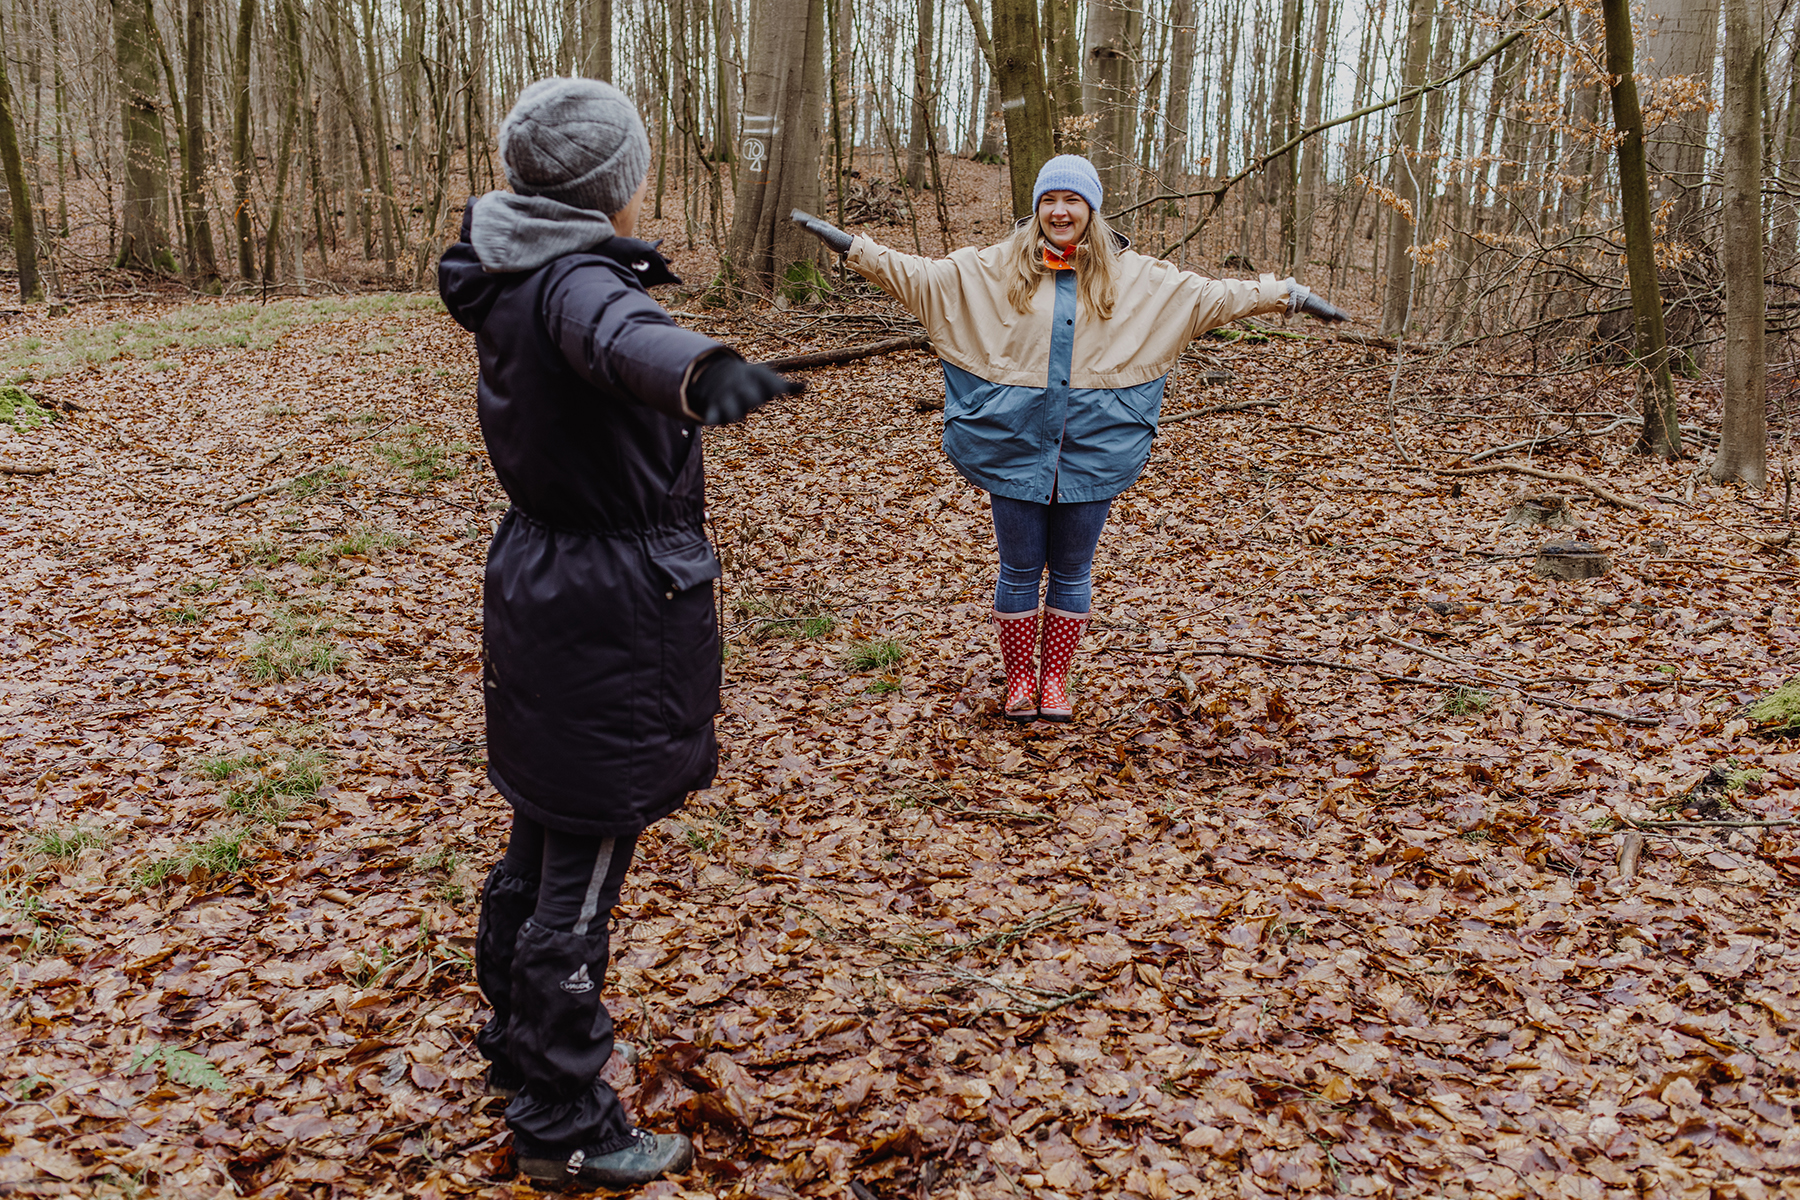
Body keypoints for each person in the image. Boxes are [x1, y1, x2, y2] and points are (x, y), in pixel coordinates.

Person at [438, 78, 799, 1190]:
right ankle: (566, 1121)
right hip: (603, 612)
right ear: (614, 186)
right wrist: (700, 373)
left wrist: (685, 371)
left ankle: (518, 1054)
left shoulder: (513, 270)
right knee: (579, 874)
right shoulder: (576, 282)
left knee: (544, 840)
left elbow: (608, 336)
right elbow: (623, 335)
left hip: (551, 586)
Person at [793, 156, 1347, 721]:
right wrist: (851, 246)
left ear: (1091, 209)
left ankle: (1054, 680)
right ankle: (1018, 683)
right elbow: (920, 277)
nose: (1060, 211)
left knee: (1074, 569)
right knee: (1019, 569)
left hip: (1095, 444)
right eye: (1049, 200)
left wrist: (1288, 294)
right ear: (1037, 208)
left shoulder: (1139, 280)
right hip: (1014, 442)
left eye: (1072, 201)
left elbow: (1212, 296)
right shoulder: (993, 268)